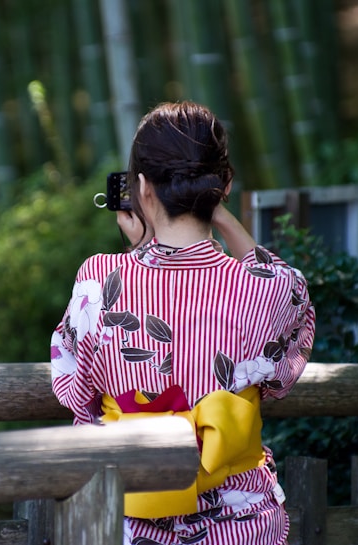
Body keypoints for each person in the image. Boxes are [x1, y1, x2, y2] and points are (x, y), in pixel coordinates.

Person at [50, 101, 315, 545]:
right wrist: (224, 219)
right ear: (223, 184)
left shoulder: (100, 280)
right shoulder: (272, 289)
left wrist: (139, 250)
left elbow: (76, 394)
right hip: (242, 523)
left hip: (132, 521)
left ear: (141, 188)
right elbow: (279, 377)